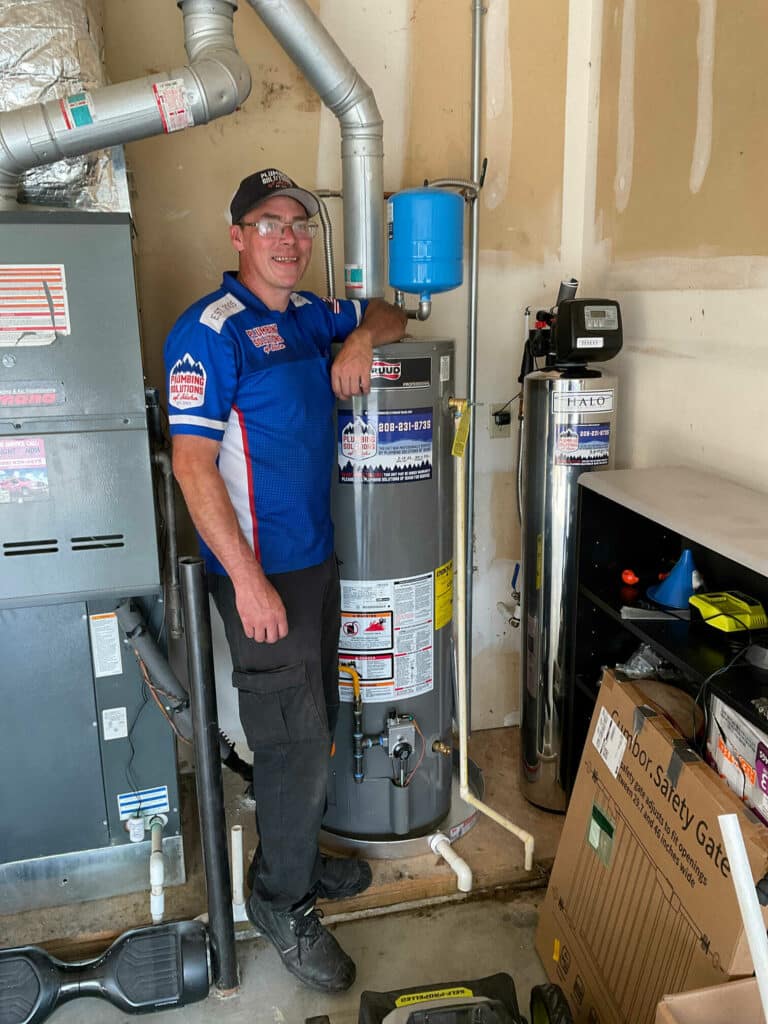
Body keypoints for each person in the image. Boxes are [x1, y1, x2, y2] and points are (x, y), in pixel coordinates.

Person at [164, 167, 407, 993]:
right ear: (237, 237)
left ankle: (292, 856)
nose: (288, 237)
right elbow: (193, 470)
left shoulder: (312, 317)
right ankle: (281, 901)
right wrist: (249, 584)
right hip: (260, 574)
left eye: (299, 223)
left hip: (314, 561)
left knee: (317, 723)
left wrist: (363, 337)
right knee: (293, 742)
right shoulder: (209, 331)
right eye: (269, 223)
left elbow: (392, 309)